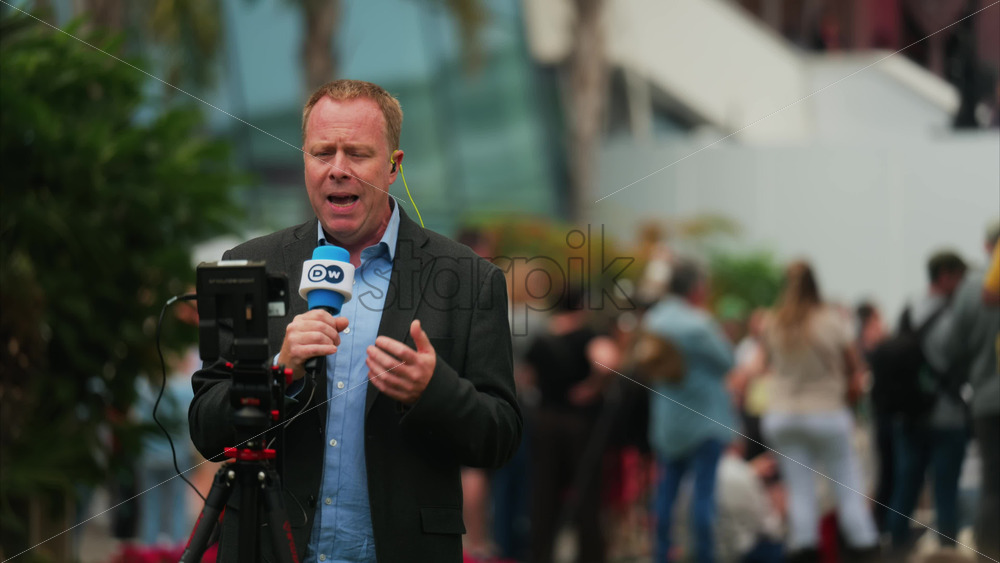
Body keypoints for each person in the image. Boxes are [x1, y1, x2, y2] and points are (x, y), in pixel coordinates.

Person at [188, 80, 522, 563]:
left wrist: (434, 391)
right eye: (322, 152)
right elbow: (207, 428)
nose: (338, 169)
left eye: (357, 153)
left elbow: (502, 437)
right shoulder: (247, 265)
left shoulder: (469, 279)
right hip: (270, 548)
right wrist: (278, 372)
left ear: (393, 166)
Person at [759, 261, 879, 563]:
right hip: (826, 413)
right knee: (847, 487)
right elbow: (854, 366)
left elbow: (767, 365)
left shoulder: (774, 322)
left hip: (782, 415)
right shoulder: (830, 320)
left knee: (800, 492)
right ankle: (864, 546)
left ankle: (804, 549)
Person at [641, 259, 736, 563]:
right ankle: (703, 556)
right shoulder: (697, 323)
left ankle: (661, 553)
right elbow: (727, 361)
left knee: (666, 492)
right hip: (704, 421)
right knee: (703, 497)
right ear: (696, 289)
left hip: (668, 422)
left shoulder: (653, 320)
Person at [524, 288, 619, 563]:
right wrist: (592, 388)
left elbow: (526, 377)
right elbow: (608, 363)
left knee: (543, 495)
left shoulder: (542, 336)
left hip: (544, 422)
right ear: (582, 306)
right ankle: (590, 555)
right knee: (587, 495)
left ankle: (540, 554)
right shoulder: (589, 335)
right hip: (580, 425)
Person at [925, 223, 1000, 562]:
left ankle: (988, 555)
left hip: (987, 400)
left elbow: (950, 348)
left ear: (987, 246)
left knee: (993, 488)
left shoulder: (971, 290)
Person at [886, 251, 969, 554]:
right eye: (961, 278)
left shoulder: (908, 311)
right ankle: (947, 550)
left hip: (909, 415)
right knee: (946, 491)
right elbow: (963, 360)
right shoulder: (954, 316)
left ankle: (895, 549)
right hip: (948, 415)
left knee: (905, 486)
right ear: (946, 276)